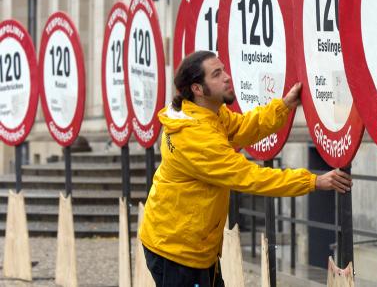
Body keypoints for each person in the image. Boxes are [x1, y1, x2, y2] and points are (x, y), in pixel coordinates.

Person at [140, 50, 352, 286]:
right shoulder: (195, 136)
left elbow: (242, 128)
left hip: (191, 245)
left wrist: (283, 106)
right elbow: (250, 177)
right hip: (177, 252)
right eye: (217, 74)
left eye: (224, 70)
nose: (227, 77)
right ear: (197, 89)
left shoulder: (207, 114)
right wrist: (312, 181)